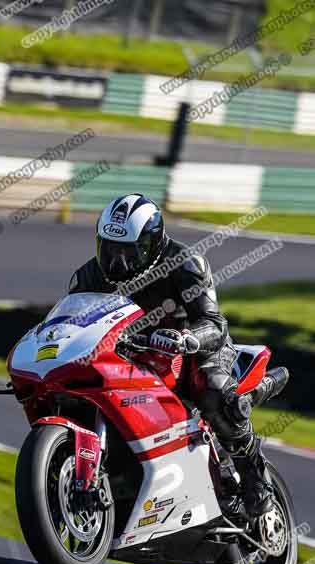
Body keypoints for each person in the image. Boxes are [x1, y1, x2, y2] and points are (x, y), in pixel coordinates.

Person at [69, 194, 273, 518]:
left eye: (128, 251)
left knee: (216, 391)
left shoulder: (185, 263)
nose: (117, 263)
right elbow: (71, 324)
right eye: (109, 249)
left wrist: (189, 338)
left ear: (152, 243)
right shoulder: (88, 277)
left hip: (193, 349)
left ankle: (254, 477)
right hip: (129, 353)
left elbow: (214, 322)